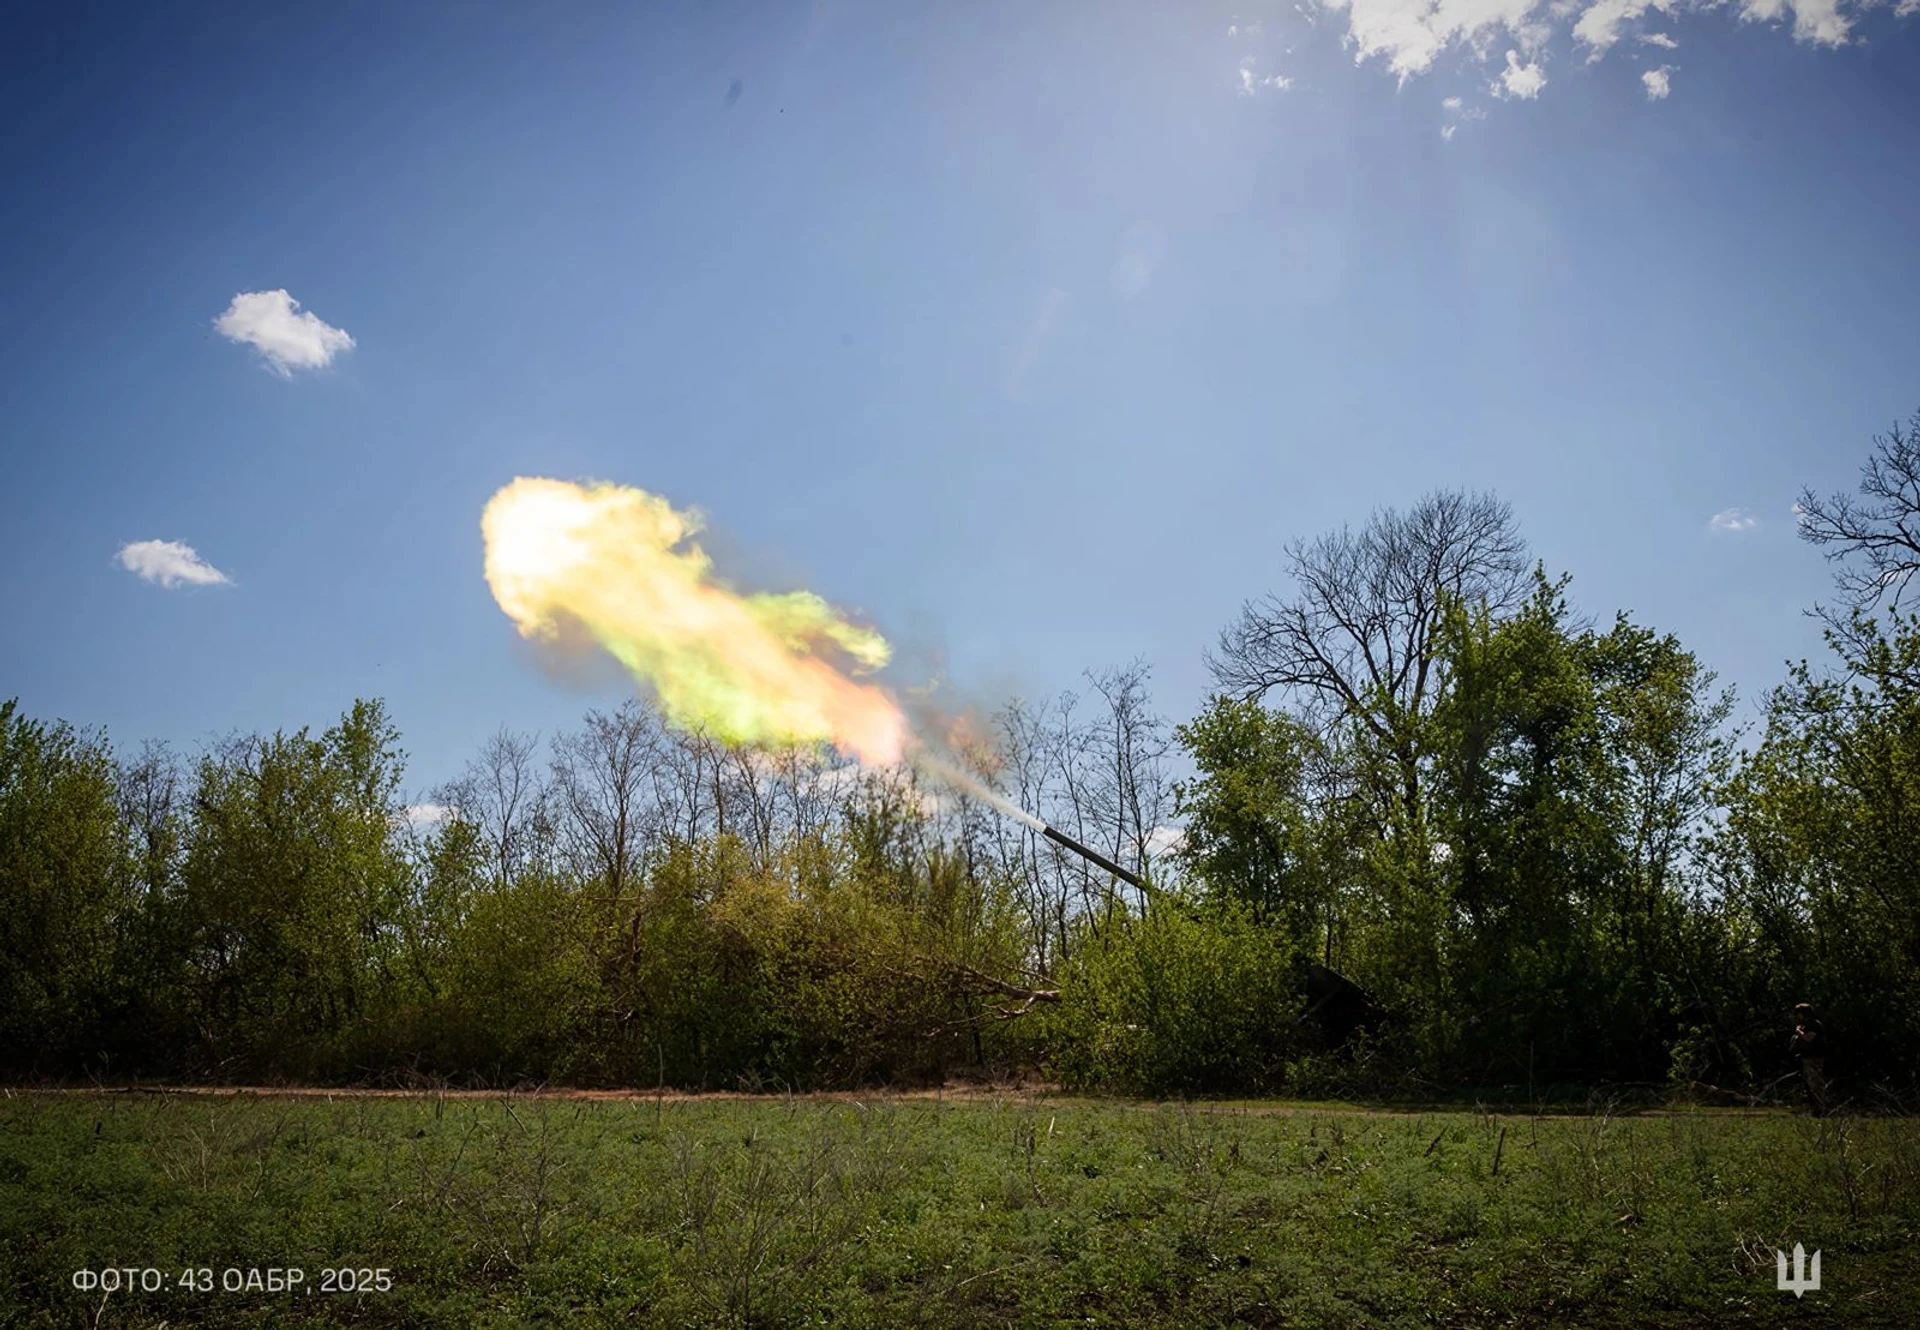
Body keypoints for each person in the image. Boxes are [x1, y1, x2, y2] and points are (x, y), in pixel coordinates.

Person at [1790, 1003, 1831, 1116]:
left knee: (1816, 1084)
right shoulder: (1805, 1024)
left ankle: (1821, 1108)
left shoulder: (1813, 1024)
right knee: (1810, 1084)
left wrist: (1799, 1032)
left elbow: (1809, 1038)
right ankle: (1816, 1108)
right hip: (1807, 1057)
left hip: (1814, 1057)